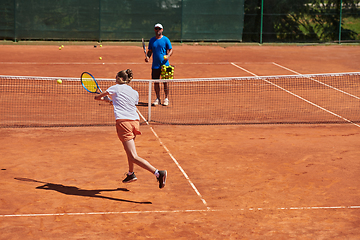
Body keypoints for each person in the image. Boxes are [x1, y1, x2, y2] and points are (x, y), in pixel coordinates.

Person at [94, 69, 167, 189]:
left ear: (121, 79)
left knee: (133, 156)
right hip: (135, 123)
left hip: (124, 124)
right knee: (130, 152)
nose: (115, 79)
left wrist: (103, 97)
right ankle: (130, 173)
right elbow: (125, 103)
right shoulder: (134, 92)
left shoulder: (114, 88)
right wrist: (112, 101)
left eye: (116, 77)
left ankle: (158, 173)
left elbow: (97, 97)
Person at [145, 23, 173, 106]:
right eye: (156, 29)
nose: (158, 30)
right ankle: (157, 98)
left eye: (159, 29)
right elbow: (150, 51)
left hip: (165, 65)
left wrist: (168, 56)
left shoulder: (166, 39)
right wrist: (148, 57)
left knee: (165, 82)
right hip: (155, 65)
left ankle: (166, 98)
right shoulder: (152, 40)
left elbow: (171, 50)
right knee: (156, 82)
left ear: (162, 30)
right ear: (154, 30)